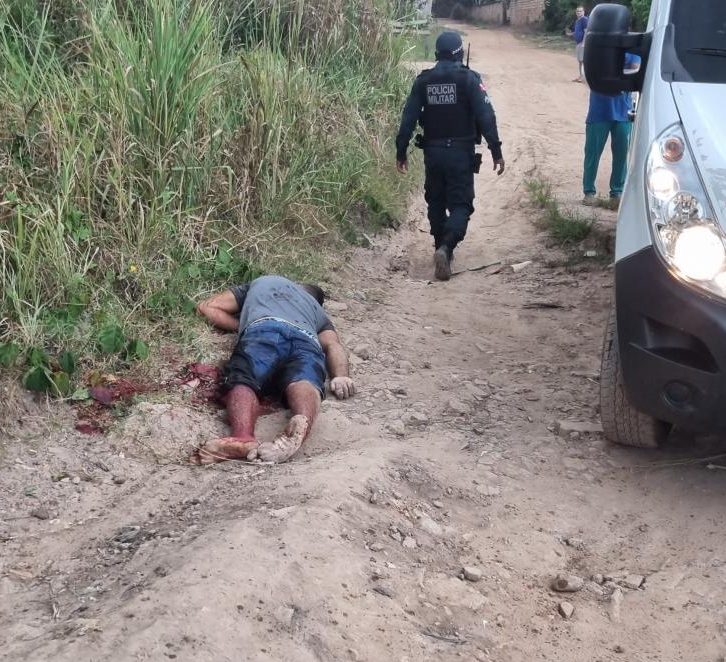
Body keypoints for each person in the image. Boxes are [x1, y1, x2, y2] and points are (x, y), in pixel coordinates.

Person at [193, 276, 355, 464]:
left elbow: (206, 307)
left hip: (264, 328)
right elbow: (333, 345)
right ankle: (301, 424)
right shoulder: (315, 309)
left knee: (244, 378)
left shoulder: (265, 282)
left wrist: (241, 325)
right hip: (306, 338)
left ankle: (242, 437)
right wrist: (341, 376)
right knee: (304, 379)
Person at [395, 30, 506, 282]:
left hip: (433, 153)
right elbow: (486, 117)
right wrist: (496, 151)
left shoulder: (423, 81)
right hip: (460, 152)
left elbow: (408, 118)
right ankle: (446, 247)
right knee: (461, 204)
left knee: (435, 199)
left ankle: (438, 246)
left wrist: (401, 150)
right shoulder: (469, 79)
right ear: (459, 53)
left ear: (436, 53)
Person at [582, 54, 642, 205]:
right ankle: (588, 192)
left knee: (622, 155)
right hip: (599, 112)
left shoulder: (631, 50)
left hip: (623, 112)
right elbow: (591, 70)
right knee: (592, 153)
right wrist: (622, 70)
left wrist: (609, 70)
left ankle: (617, 192)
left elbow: (635, 68)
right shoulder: (600, 47)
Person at [565, 6, 589, 83]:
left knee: (582, 60)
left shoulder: (584, 20)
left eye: (580, 11)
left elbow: (586, 31)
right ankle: (580, 76)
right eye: (577, 11)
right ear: (576, 13)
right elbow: (577, 31)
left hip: (582, 43)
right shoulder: (577, 21)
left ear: (583, 12)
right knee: (580, 61)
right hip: (578, 43)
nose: (579, 12)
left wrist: (584, 43)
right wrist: (571, 34)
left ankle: (582, 78)